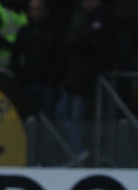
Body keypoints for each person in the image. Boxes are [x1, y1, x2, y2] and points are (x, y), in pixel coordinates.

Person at [54, 0, 114, 160]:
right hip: (71, 76)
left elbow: (85, 39)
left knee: (77, 117)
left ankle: (78, 152)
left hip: (85, 77)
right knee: (61, 113)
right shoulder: (79, 16)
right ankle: (76, 151)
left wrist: (78, 40)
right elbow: (71, 40)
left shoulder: (102, 17)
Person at [11, 0, 65, 118]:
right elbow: (16, 56)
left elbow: (60, 57)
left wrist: (53, 78)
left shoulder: (54, 31)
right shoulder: (24, 31)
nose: (36, 13)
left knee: (47, 117)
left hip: (47, 83)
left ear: (46, 10)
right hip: (28, 82)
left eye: (39, 9)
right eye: (33, 10)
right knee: (28, 115)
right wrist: (21, 76)